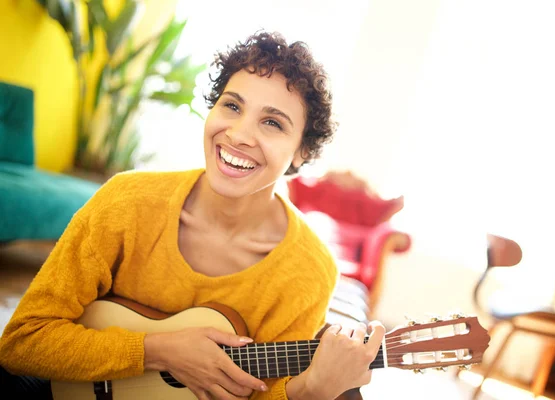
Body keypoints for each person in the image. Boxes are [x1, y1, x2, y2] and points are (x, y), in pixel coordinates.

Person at [0, 31, 385, 400]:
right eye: (232, 106)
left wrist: (311, 390)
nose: (238, 134)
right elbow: (23, 341)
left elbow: (262, 393)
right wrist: (160, 350)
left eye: (272, 122)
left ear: (302, 152)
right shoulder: (126, 201)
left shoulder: (308, 269)